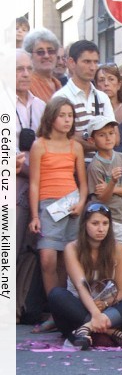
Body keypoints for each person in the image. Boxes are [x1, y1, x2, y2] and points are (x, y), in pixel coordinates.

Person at [48, 203, 122, 349]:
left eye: (105, 223)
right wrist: (95, 313)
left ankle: (87, 330)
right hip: (80, 309)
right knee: (56, 295)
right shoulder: (72, 248)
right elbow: (80, 285)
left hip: (110, 310)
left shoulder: (117, 248)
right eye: (95, 223)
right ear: (85, 224)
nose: (101, 229)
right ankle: (110, 332)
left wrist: (105, 304)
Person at [29, 97, 88, 328]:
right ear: (51, 117)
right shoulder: (40, 145)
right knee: (47, 258)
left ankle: (64, 313)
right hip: (48, 206)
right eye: (62, 115)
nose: (67, 120)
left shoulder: (76, 146)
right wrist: (35, 215)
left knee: (68, 258)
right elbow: (34, 183)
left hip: (71, 204)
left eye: (70, 116)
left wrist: (82, 203)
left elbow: (83, 183)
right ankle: (55, 310)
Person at [52, 40, 115, 163]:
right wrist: (101, 142)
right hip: (71, 168)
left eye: (95, 62)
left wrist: (79, 138)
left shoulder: (102, 97)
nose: (92, 67)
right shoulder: (61, 97)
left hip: (101, 169)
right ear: (71, 63)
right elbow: (60, 138)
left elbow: (115, 137)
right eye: (87, 62)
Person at [86, 117, 122, 258]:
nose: (108, 138)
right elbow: (102, 199)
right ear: (92, 140)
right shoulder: (95, 166)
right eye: (102, 135)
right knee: (104, 257)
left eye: (111, 133)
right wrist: (113, 181)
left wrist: (111, 187)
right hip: (103, 220)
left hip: (120, 218)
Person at [16, 49, 46, 260]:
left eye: (28, 69)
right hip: (11, 183)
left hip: (39, 182)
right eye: (19, 69)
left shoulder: (41, 106)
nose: (25, 74)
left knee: (34, 252)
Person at [23, 28, 63, 102]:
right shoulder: (27, 84)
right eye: (40, 52)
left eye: (50, 51)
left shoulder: (57, 83)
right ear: (30, 56)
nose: (46, 56)